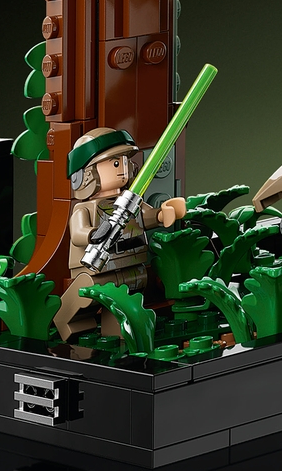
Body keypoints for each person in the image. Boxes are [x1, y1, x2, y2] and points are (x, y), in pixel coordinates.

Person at [52, 126, 188, 342]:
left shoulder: (130, 202)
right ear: (88, 173)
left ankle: (119, 335)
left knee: (122, 304)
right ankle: (67, 321)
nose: (123, 168)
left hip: (131, 266)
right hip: (96, 271)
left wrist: (162, 214)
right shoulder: (85, 208)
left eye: (125, 162)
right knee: (89, 296)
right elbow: (78, 233)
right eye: (115, 163)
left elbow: (146, 217)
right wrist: (94, 234)